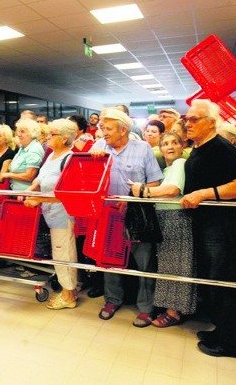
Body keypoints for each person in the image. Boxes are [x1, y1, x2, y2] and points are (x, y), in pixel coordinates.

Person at [180, 99, 236, 359]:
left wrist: (203, 194)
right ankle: (221, 331)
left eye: (194, 119)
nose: (188, 123)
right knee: (213, 282)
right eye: (186, 119)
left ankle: (232, 344)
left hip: (221, 227)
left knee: (223, 283)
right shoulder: (199, 148)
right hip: (205, 223)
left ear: (211, 122)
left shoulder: (221, 147)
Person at [91, 108, 163, 327]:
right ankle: (112, 300)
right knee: (110, 260)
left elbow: (155, 183)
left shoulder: (142, 149)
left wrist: (132, 197)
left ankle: (146, 308)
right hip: (108, 214)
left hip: (137, 215)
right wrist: (93, 152)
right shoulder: (100, 147)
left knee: (144, 263)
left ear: (123, 130)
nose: (104, 133)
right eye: (102, 128)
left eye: (109, 129)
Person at [131, 132, 197, 328]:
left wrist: (143, 190)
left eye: (174, 143)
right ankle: (171, 307)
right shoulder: (167, 169)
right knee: (169, 265)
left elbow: (172, 190)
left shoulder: (179, 164)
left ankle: (174, 312)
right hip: (165, 219)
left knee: (176, 266)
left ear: (182, 147)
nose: (170, 146)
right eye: (165, 144)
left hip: (175, 218)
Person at [23, 119, 78, 309]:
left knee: (64, 253)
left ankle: (68, 295)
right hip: (50, 213)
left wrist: (37, 200)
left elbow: (65, 194)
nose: (47, 137)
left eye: (52, 134)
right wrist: (30, 191)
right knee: (59, 252)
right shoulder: (52, 155)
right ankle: (68, 289)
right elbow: (40, 179)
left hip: (63, 215)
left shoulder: (69, 159)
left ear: (64, 139)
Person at [1, 118, 44, 191]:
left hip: (25, 195)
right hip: (17, 192)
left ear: (32, 133)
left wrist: (9, 175)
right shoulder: (23, 147)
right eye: (18, 131)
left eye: (22, 132)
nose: (19, 134)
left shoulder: (34, 150)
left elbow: (29, 176)